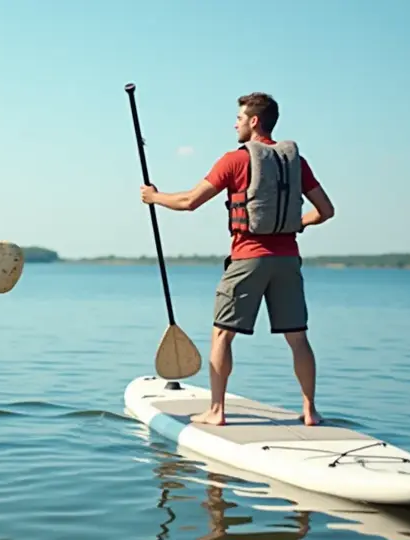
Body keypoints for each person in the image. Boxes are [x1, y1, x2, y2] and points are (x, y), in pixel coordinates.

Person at [139, 92, 335, 426]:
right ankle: (310, 411)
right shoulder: (296, 162)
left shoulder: (235, 160)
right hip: (288, 260)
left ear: (254, 121)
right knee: (298, 338)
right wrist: (295, 223)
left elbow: (189, 201)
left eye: (240, 118)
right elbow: (326, 211)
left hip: (248, 258)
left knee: (222, 335)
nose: (236, 123)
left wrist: (154, 197)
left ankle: (216, 412)